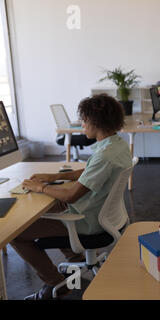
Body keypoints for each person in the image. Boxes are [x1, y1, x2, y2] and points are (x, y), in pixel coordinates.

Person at [10, 94, 132, 300]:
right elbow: (87, 172)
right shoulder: (116, 145)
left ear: (95, 122)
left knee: (16, 233)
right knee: (51, 205)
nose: (82, 125)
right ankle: (75, 257)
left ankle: (55, 281)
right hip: (105, 216)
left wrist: (40, 187)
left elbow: (71, 196)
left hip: (88, 222)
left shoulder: (104, 156)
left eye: (84, 121)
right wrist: (54, 177)